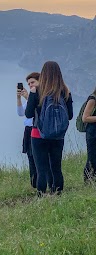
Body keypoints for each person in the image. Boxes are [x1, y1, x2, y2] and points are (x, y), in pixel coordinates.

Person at [25, 61, 73, 196]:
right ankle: (57, 196)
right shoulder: (65, 91)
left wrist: (32, 96)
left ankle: (41, 198)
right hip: (58, 136)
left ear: (43, 74)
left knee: (41, 170)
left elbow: (28, 114)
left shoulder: (37, 91)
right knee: (56, 168)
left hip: (38, 135)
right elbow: (69, 116)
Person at [17, 72, 41, 188]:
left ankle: (38, 184)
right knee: (31, 157)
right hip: (28, 130)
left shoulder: (39, 96)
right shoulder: (31, 96)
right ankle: (34, 184)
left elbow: (36, 112)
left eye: (33, 82)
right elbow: (21, 113)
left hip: (35, 129)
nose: (30, 85)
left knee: (37, 158)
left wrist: (28, 97)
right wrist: (19, 98)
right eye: (29, 83)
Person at [82, 86, 96, 182]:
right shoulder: (93, 99)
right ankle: (88, 180)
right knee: (92, 158)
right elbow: (85, 118)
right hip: (92, 132)